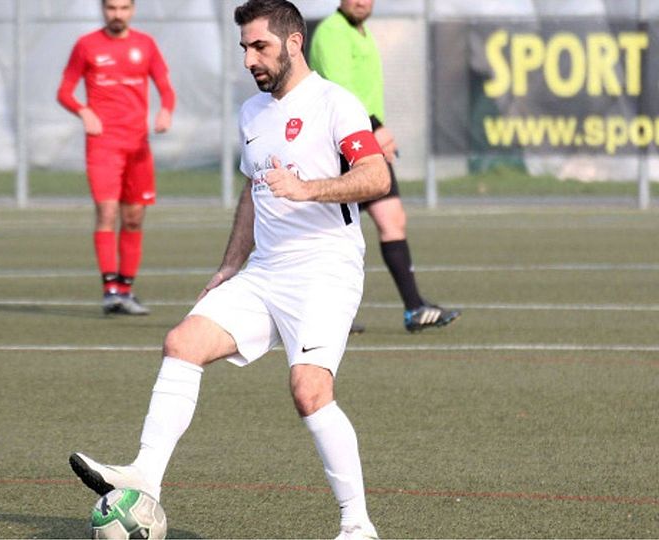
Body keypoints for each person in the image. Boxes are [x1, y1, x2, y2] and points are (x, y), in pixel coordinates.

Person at [69, 1, 387, 537]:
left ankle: (358, 527)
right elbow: (253, 188)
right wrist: (230, 263)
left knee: (309, 389)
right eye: (243, 48)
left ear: (292, 43)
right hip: (265, 270)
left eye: (258, 46)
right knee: (182, 342)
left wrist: (308, 188)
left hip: (325, 268)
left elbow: (375, 176)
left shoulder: (336, 103)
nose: (248, 60)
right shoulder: (251, 113)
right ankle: (145, 475)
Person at [308, 0, 460, 333]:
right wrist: (375, 127)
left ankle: (414, 309)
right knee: (327, 230)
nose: (362, 1)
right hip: (344, 144)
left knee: (392, 218)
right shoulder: (331, 33)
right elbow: (341, 90)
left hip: (366, 143)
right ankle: (317, 313)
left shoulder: (361, 33)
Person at [57, 0, 176, 315]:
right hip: (103, 145)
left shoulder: (145, 45)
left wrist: (166, 111)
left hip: (137, 146)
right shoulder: (86, 46)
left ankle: (126, 289)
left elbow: (166, 87)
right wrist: (83, 111)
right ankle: (110, 290)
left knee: (134, 217)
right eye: (111, 8)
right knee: (107, 213)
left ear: (133, 9)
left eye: (124, 7)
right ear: (103, 9)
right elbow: (65, 91)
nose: (117, 14)